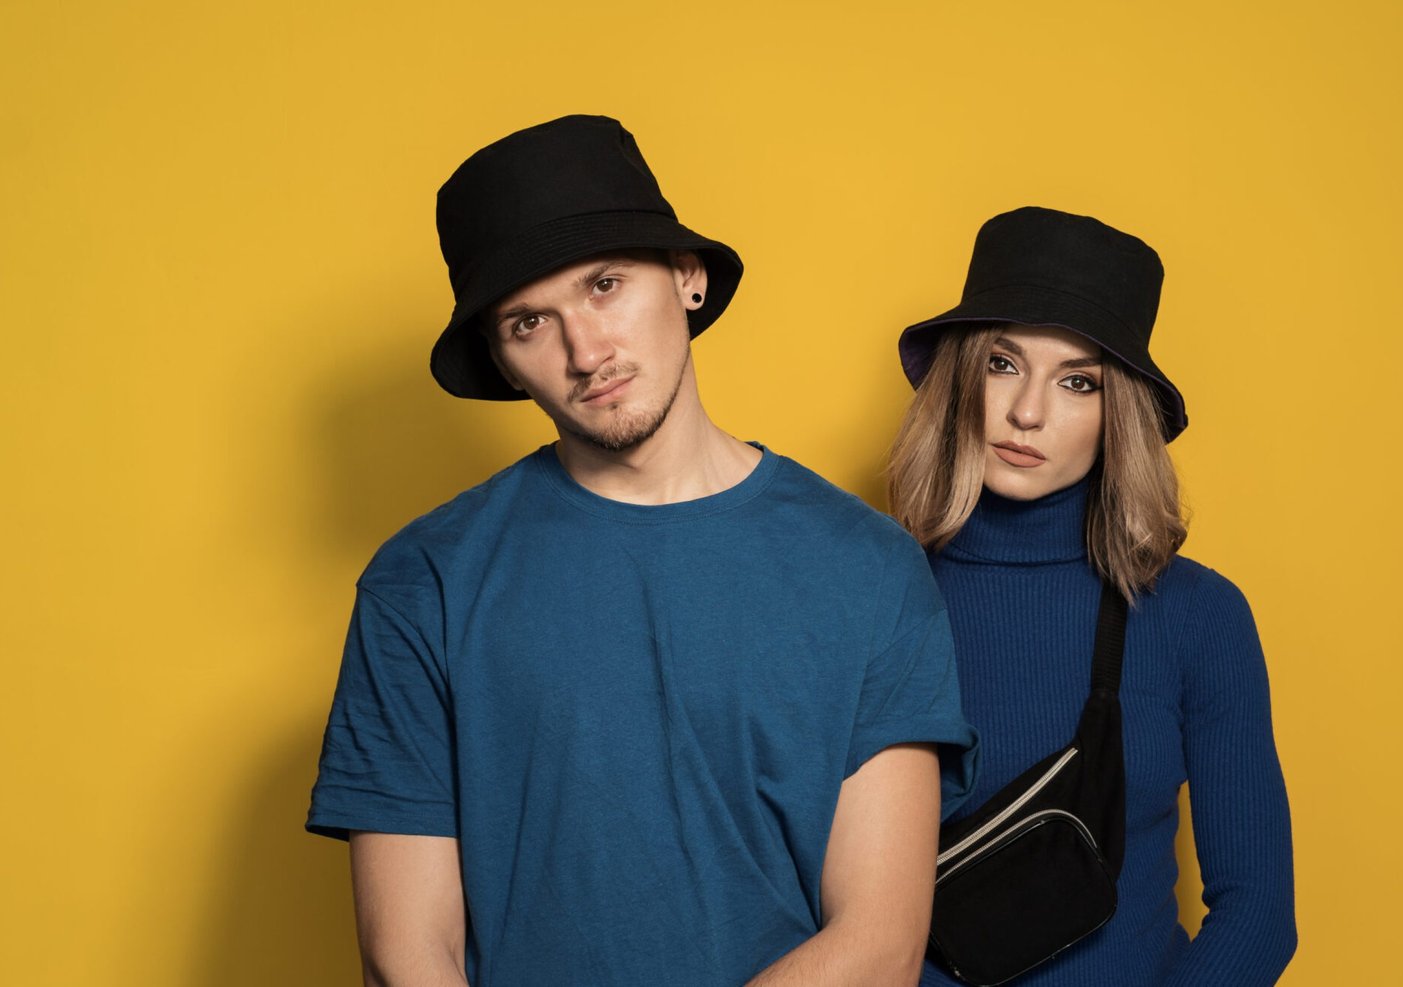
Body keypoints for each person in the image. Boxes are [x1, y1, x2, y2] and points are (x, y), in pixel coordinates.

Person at [306, 115, 977, 987]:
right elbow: (406, 955)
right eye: (529, 322)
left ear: (687, 277)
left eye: (605, 285)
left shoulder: (868, 566)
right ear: (502, 361)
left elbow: (879, 943)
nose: (586, 351)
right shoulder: (423, 581)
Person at [888, 207, 1296, 986]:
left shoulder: (1197, 616)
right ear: (960, 376)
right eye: (1002, 364)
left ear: (1120, 416)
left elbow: (1258, 914)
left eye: (1078, 382)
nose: (1028, 412)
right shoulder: (868, 598)